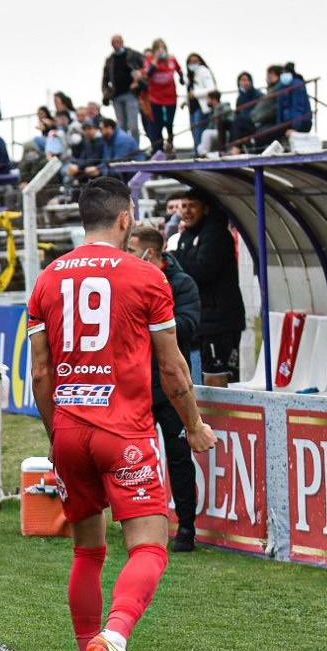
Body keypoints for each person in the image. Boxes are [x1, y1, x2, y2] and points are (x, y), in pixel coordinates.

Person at [26, 177, 216, 651]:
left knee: (88, 551)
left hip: (69, 427)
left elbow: (41, 374)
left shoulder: (46, 279)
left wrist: (54, 432)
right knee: (151, 547)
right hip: (123, 432)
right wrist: (194, 425)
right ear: (126, 219)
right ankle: (113, 636)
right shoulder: (147, 277)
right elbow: (174, 369)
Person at [128, 223, 202, 552]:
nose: (126, 256)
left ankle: (186, 527)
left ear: (152, 253)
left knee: (178, 455)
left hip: (171, 384)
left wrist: (156, 323)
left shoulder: (182, 284)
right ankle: (134, 521)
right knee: (129, 456)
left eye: (131, 251)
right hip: (137, 382)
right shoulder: (128, 281)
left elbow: (189, 326)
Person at [172, 192, 245, 386]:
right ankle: (206, 417)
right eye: (183, 206)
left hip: (220, 321)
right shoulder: (186, 235)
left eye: (192, 206)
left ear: (205, 208)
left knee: (217, 375)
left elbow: (203, 271)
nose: (186, 211)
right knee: (201, 375)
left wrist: (175, 258)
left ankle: (222, 417)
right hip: (202, 320)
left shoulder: (216, 234)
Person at [101, 34, 146, 140]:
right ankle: (125, 151)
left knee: (133, 126)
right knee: (122, 127)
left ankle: (135, 150)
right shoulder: (110, 60)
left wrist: (139, 81)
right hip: (116, 96)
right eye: (114, 42)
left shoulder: (133, 55)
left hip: (131, 94)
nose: (116, 44)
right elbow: (105, 79)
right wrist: (106, 93)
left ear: (122, 42)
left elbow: (145, 68)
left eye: (118, 41)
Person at [143, 40, 183, 153]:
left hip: (170, 97)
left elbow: (179, 70)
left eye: (163, 48)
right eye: (158, 48)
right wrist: (155, 61)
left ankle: (170, 143)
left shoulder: (171, 59)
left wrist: (181, 78)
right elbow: (147, 74)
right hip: (156, 98)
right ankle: (159, 148)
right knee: (158, 123)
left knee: (169, 122)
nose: (161, 51)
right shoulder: (150, 60)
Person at [184, 52, 217, 145]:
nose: (192, 64)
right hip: (192, 109)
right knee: (194, 132)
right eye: (190, 62)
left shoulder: (203, 71)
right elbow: (190, 91)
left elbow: (212, 89)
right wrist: (185, 101)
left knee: (200, 132)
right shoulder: (190, 75)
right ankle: (197, 152)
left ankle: (201, 154)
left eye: (195, 61)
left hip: (202, 108)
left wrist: (195, 94)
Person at [232, 71, 264, 148]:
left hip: (255, 121)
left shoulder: (257, 94)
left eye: (247, 80)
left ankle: (235, 147)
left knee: (239, 121)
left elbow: (257, 111)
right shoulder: (240, 97)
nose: (245, 82)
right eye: (242, 80)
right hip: (244, 122)